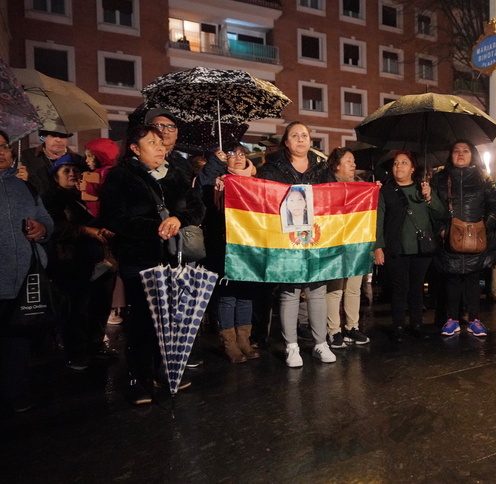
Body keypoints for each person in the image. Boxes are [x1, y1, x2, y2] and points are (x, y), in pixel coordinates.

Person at [100, 125, 205, 404]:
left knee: (169, 316)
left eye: (162, 142)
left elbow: (197, 206)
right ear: (135, 148)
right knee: (143, 319)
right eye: (152, 142)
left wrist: (179, 219)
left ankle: (163, 370)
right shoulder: (120, 176)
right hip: (139, 257)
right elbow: (114, 218)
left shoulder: (176, 175)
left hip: (172, 257)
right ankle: (137, 378)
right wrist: (155, 227)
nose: (160, 147)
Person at [257, 121, 337, 367]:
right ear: (287, 142)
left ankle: (320, 344)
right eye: (295, 135)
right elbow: (261, 195)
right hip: (284, 236)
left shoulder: (323, 168)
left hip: (316, 236)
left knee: (317, 290)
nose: (301, 139)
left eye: (305, 135)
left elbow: (334, 196)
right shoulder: (271, 167)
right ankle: (291, 346)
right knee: (290, 292)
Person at [42, 155, 118, 370]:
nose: (73, 174)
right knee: (75, 309)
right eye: (66, 170)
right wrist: (84, 230)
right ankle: (75, 352)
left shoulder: (88, 196)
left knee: (100, 305)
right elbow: (53, 227)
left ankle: (95, 346)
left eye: (76, 170)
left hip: (100, 262)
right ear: (55, 176)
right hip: (70, 262)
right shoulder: (51, 198)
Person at [0, 130, 54, 412]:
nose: (1, 152)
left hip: (23, 278)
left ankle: (13, 393)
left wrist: (42, 229)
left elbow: (45, 218)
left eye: (4, 146)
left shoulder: (26, 186)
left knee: (18, 339)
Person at [374, 151, 446, 343]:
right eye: (396, 163)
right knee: (399, 288)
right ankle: (398, 325)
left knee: (417, 288)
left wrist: (430, 196)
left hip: (422, 248)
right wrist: (378, 246)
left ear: (413, 168)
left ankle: (416, 324)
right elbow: (378, 219)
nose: (399, 167)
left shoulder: (422, 189)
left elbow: (440, 213)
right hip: (396, 248)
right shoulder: (386, 191)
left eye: (404, 163)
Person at [430, 140, 496, 337]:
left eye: (465, 151)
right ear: (451, 155)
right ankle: (452, 319)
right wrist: (441, 230)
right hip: (449, 238)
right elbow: (432, 210)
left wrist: (483, 228)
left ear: (472, 155)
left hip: (475, 239)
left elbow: (494, 206)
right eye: (456, 151)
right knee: (451, 279)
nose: (460, 154)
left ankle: (474, 319)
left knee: (472, 279)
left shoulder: (484, 178)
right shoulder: (440, 178)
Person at [200, 141, 259, 363]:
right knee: (227, 296)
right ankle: (230, 343)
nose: (238, 157)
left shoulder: (256, 182)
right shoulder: (217, 182)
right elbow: (204, 200)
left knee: (246, 293)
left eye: (242, 153)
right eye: (232, 154)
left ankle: (244, 340)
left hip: (250, 246)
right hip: (223, 246)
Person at [325, 147, 370, 348]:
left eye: (354, 161)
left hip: (356, 244)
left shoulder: (362, 187)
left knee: (353, 289)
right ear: (337, 166)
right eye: (349, 161)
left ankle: (352, 327)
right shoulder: (327, 187)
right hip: (335, 244)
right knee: (335, 289)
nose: (353, 164)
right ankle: (334, 331)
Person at [22, 130, 84, 195]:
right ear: (43, 137)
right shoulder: (27, 157)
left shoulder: (79, 160)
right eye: (53, 135)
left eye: (63, 136)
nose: (58, 140)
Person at [144, 107, 194, 183]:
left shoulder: (183, 165)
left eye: (171, 127)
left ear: (177, 133)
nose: (165, 131)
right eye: (159, 125)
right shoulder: (138, 161)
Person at [79, 138, 119, 217]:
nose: (87, 160)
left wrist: (87, 186)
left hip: (106, 215)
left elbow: (105, 189)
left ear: (100, 156)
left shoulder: (107, 172)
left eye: (90, 156)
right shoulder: (99, 172)